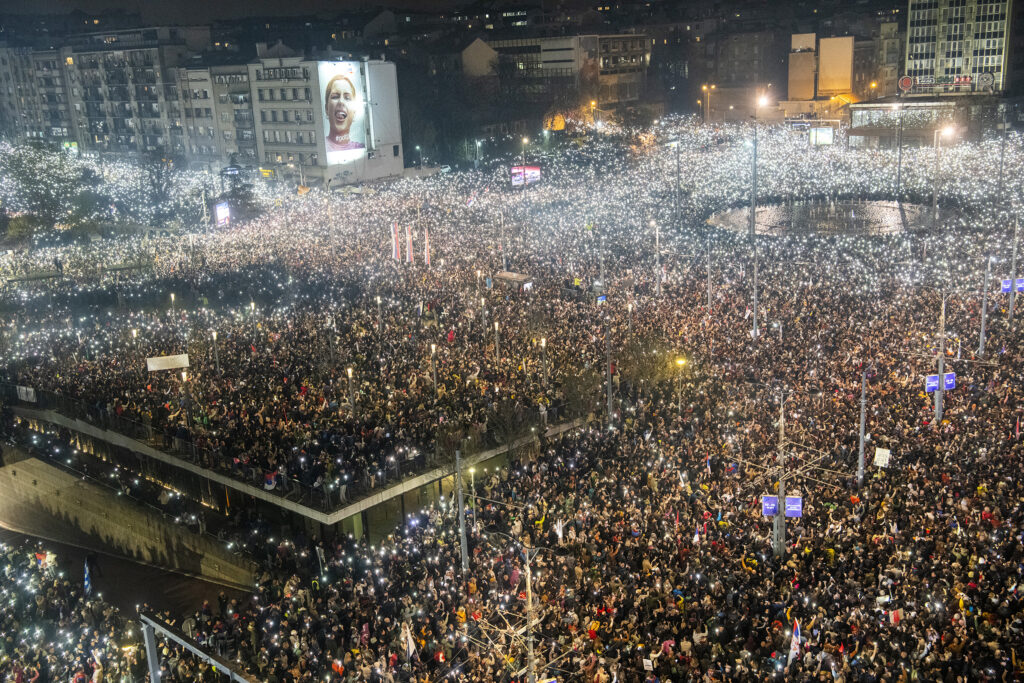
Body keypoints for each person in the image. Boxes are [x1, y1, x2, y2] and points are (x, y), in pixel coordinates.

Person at [324, 74, 365, 153]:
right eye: (335, 96)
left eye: (347, 98)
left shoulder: (361, 149)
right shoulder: (320, 147)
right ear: (326, 108)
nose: (341, 102)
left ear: (354, 112)